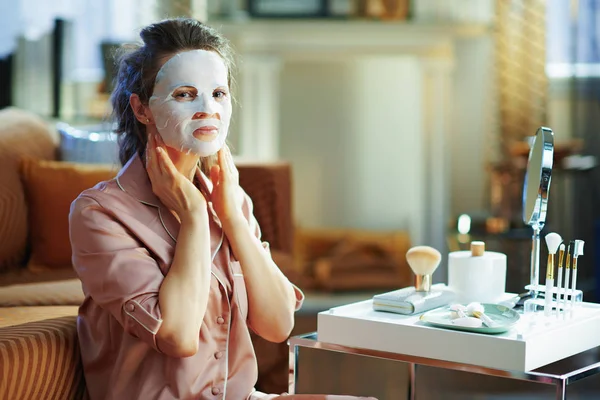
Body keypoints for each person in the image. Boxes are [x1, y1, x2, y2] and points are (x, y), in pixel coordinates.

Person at [69, 18, 376, 400]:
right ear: (142, 109)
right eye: (184, 94)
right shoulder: (99, 214)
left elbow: (279, 324)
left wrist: (231, 216)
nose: (207, 109)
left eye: (218, 93)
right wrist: (196, 216)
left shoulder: (230, 200)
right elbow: (177, 336)